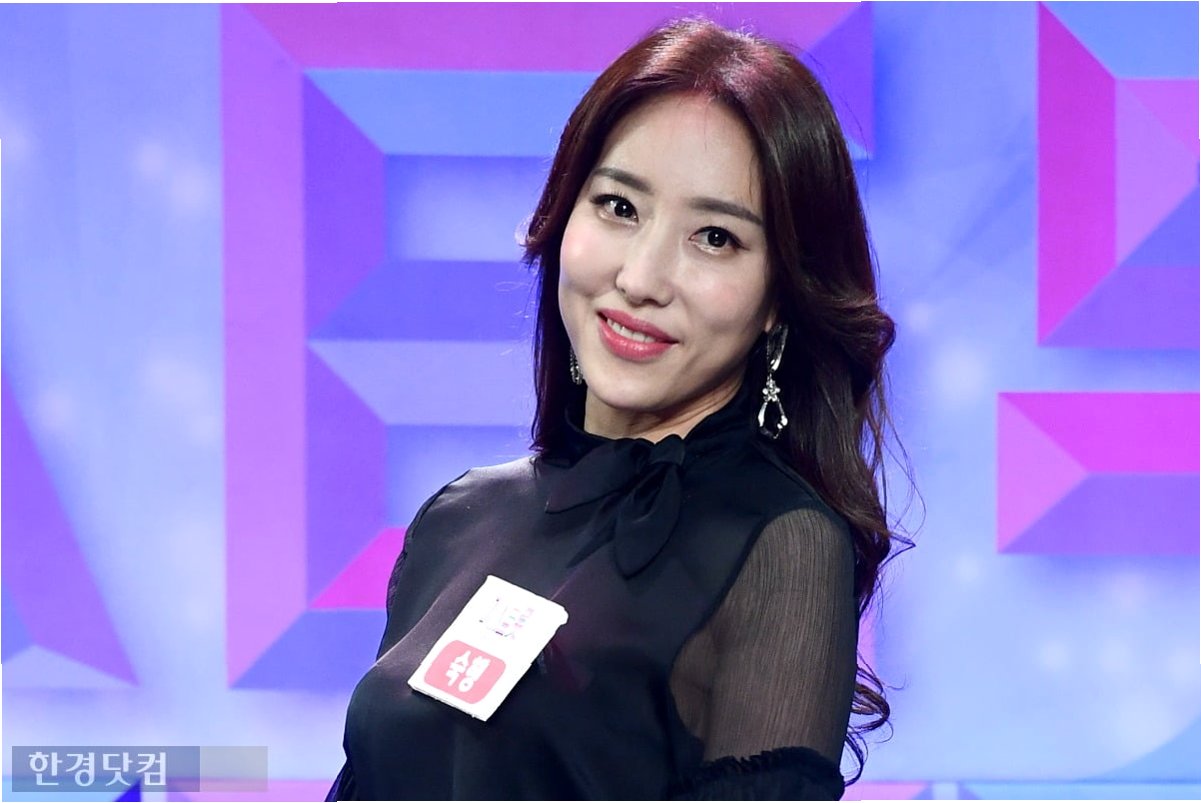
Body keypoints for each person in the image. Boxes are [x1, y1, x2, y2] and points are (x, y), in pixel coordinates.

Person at [327, 16, 903, 801]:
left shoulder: (779, 544)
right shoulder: (458, 516)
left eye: (714, 237)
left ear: (779, 295)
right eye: (618, 207)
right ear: (564, 214)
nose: (641, 277)